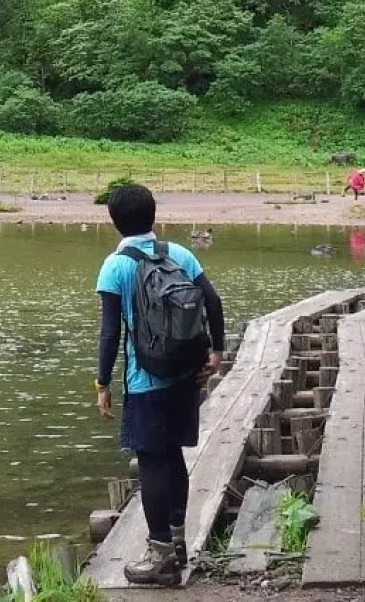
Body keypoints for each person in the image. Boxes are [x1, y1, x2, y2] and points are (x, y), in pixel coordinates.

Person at [95, 183, 225, 586]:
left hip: (145, 380)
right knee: (174, 458)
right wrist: (216, 354)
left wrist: (102, 383)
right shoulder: (178, 254)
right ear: (153, 214)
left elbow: (110, 334)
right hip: (185, 375)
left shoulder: (115, 266)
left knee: (151, 463)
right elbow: (214, 302)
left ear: (115, 221)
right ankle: (179, 543)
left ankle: (160, 557)